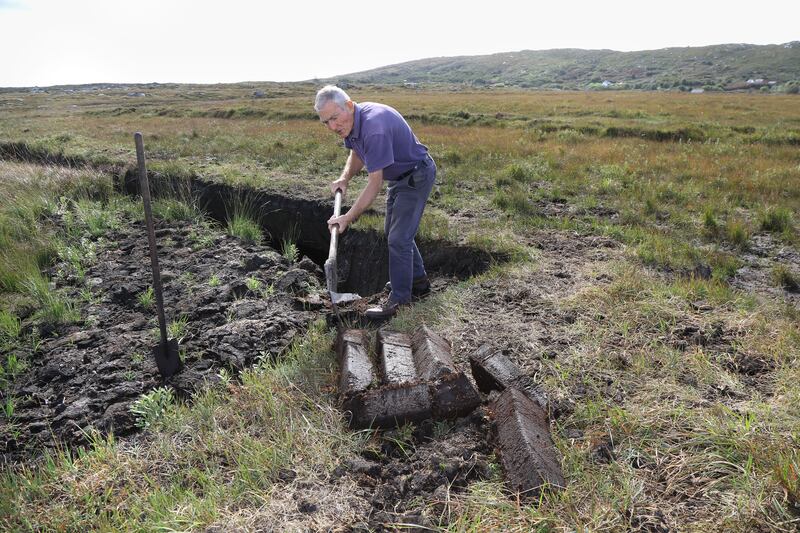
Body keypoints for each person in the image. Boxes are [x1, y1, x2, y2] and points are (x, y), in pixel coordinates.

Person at [315, 85, 435, 319]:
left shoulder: (374, 128)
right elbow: (357, 153)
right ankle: (418, 283)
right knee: (395, 233)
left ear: (349, 106)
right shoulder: (353, 123)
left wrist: (347, 217)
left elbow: (374, 184)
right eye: (325, 122)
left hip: (416, 176)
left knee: (399, 239)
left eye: (334, 118)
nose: (332, 127)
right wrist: (344, 178)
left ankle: (400, 302)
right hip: (401, 178)